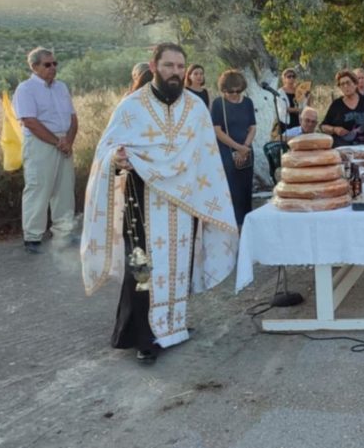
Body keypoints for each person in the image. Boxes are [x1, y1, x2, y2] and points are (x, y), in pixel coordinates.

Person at [80, 42, 238, 364]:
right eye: (168, 66)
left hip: (183, 203)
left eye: (180, 67)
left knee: (179, 266)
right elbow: (106, 150)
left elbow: (206, 156)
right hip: (142, 201)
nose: (175, 72)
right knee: (142, 269)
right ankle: (142, 336)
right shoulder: (131, 107)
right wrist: (116, 159)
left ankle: (173, 327)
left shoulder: (196, 108)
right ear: (153, 67)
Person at [13, 47, 78, 255]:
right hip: (41, 143)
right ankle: (33, 236)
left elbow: (73, 117)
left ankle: (63, 233)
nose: (53, 68)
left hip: (64, 141)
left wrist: (68, 141)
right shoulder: (26, 89)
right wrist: (57, 142)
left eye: (54, 63)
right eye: (47, 64)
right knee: (38, 187)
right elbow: (30, 121)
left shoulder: (61, 87)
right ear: (34, 67)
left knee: (64, 189)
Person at [211, 70, 257, 227]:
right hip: (227, 152)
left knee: (246, 190)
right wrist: (238, 148)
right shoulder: (218, 104)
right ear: (224, 89)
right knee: (231, 191)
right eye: (231, 91)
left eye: (238, 91)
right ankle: (232, 226)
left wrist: (245, 147)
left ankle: (247, 225)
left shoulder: (248, 102)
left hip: (246, 150)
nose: (235, 94)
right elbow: (217, 131)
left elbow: (252, 127)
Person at [321, 69, 364, 146]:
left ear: (355, 84)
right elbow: (323, 126)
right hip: (342, 149)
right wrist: (334, 129)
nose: (345, 86)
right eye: (342, 84)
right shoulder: (336, 105)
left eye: (348, 83)